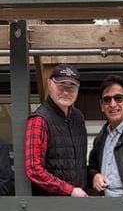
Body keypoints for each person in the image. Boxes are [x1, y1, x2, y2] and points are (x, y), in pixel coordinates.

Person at [25, 63, 88, 196]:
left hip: (77, 203)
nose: (66, 92)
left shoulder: (78, 118)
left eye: (71, 87)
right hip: (49, 207)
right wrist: (69, 190)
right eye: (61, 86)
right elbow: (33, 169)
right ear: (50, 85)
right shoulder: (39, 119)